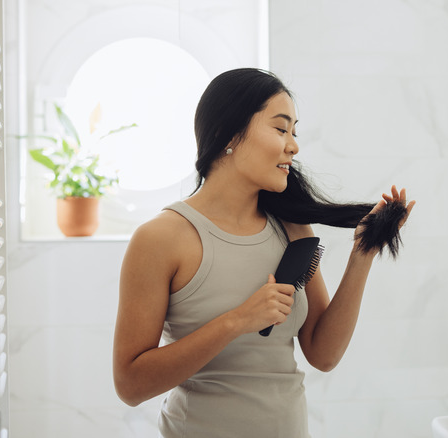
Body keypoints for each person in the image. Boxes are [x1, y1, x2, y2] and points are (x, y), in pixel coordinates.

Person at [112, 68, 415, 437]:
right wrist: (237, 321)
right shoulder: (161, 238)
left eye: (294, 131)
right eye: (280, 128)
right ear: (229, 134)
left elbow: (324, 354)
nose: (293, 145)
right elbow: (130, 386)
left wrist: (362, 255)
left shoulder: (292, 229)